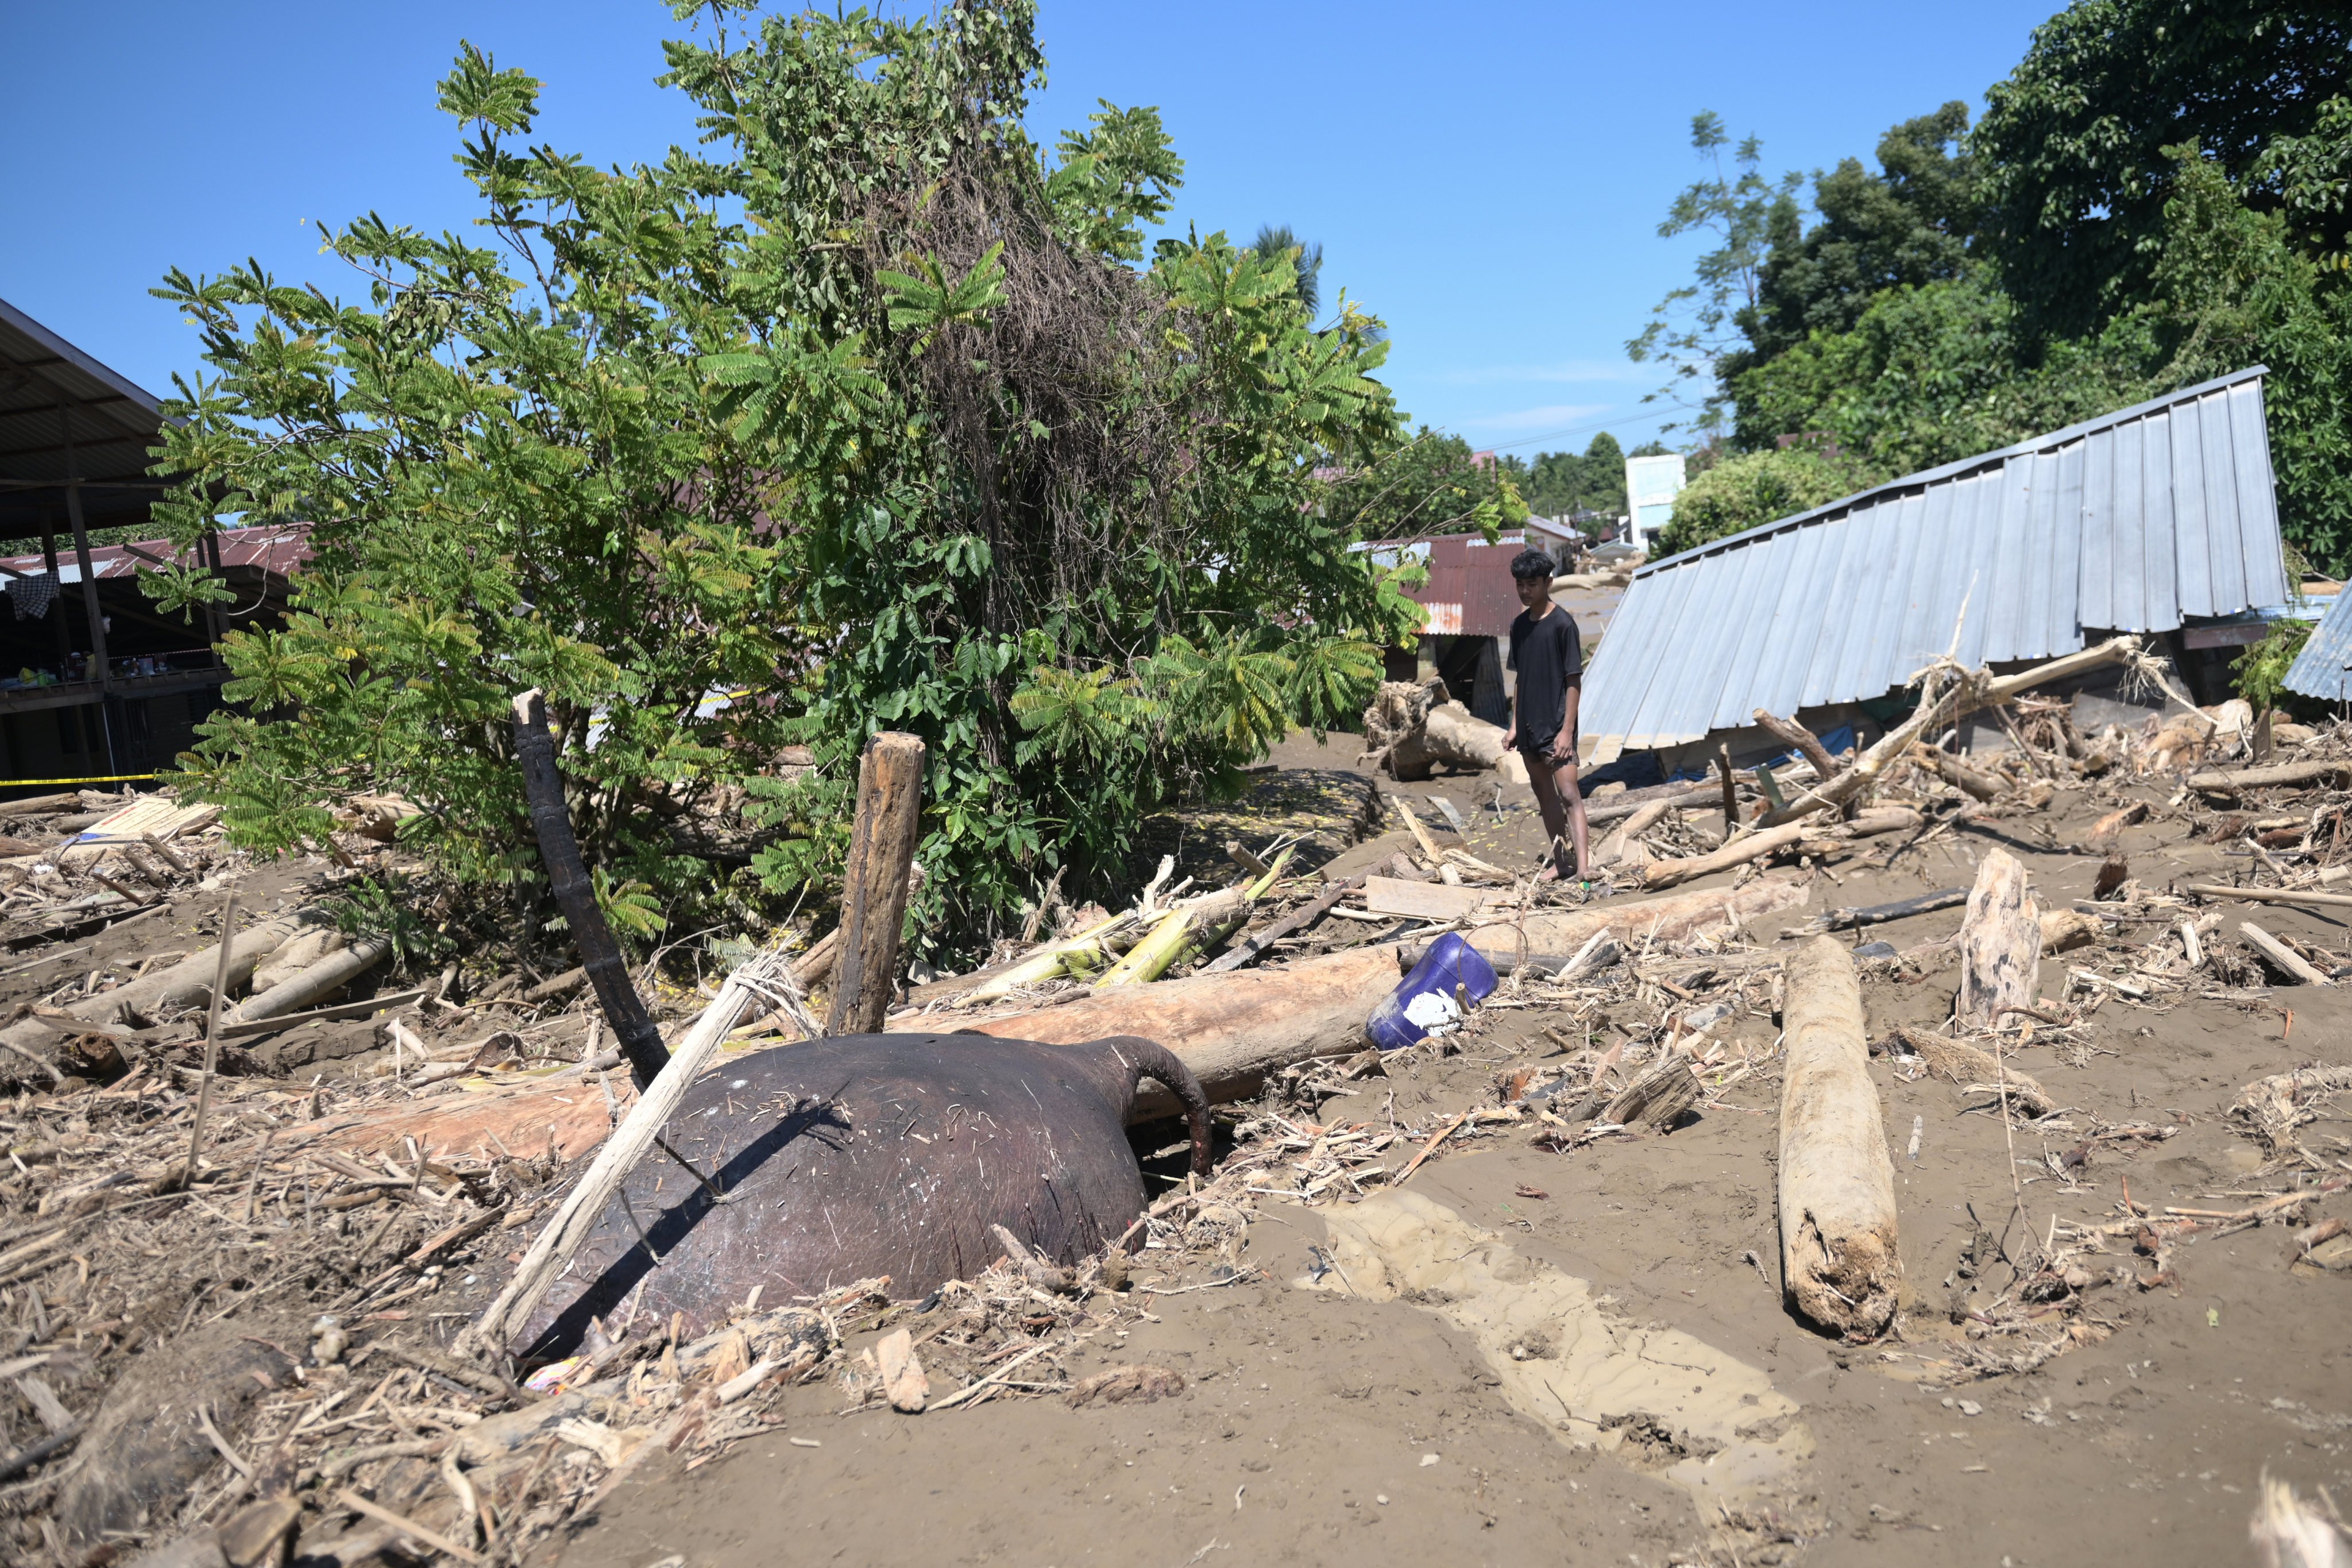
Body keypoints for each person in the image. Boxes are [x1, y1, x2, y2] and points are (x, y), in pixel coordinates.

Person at [1500, 547, 1590, 883]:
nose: (1525, 591)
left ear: (1548, 582)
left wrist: (1567, 732)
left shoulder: (1563, 624)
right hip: (1528, 725)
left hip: (1556, 726)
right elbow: (1521, 679)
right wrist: (1513, 727)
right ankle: (1561, 861)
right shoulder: (1519, 626)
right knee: (1544, 795)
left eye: (1532, 584)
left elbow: (1573, 681)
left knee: (1569, 795)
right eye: (1520, 585)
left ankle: (1584, 868)